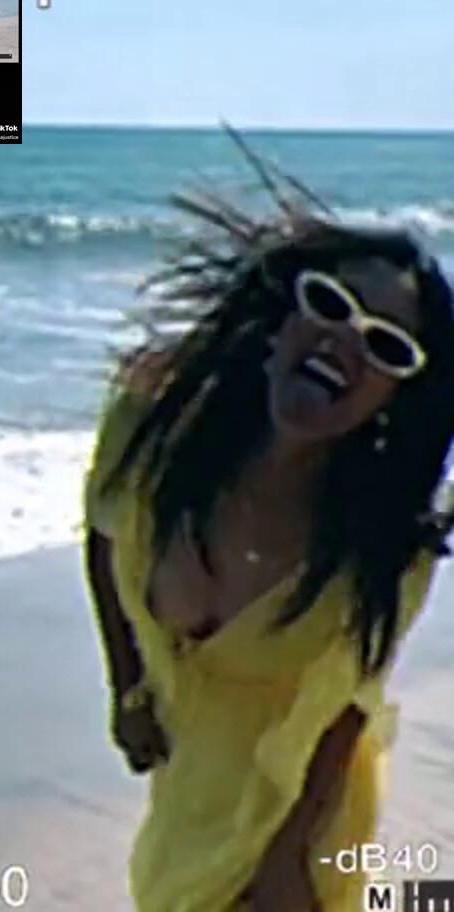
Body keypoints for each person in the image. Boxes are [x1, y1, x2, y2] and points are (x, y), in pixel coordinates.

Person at [83, 156, 454, 912]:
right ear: (285, 317)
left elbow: (346, 710)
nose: (346, 341)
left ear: (393, 396)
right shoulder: (150, 433)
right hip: (189, 780)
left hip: (301, 811)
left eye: (386, 345)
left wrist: (288, 864)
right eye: (331, 304)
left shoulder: (385, 548)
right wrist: (126, 687)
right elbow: (104, 532)